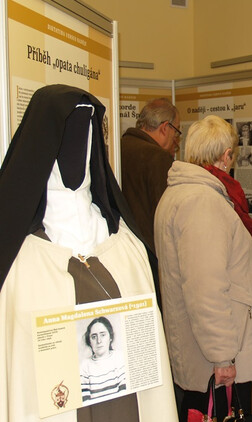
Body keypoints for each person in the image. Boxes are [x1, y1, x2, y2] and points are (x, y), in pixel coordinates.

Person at [0, 84, 177, 421]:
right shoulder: (19, 257)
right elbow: (16, 365)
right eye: (70, 130)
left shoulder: (126, 245)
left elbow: (146, 347)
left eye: (87, 128)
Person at [154, 115, 252, 422]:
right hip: (215, 354)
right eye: (232, 155)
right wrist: (222, 357)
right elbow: (205, 288)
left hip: (201, 346)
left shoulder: (181, 193)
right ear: (226, 156)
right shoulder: (201, 202)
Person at [121, 98, 180, 255]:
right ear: (165, 128)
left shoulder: (118, 147)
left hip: (123, 249)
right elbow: (165, 216)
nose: (176, 138)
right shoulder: (158, 158)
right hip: (150, 252)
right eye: (177, 131)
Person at [80, 317, 126, 403]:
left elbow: (124, 394)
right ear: (89, 341)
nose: (99, 341)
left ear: (110, 337)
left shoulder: (120, 358)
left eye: (103, 335)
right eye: (94, 337)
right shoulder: (84, 366)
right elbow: (85, 401)